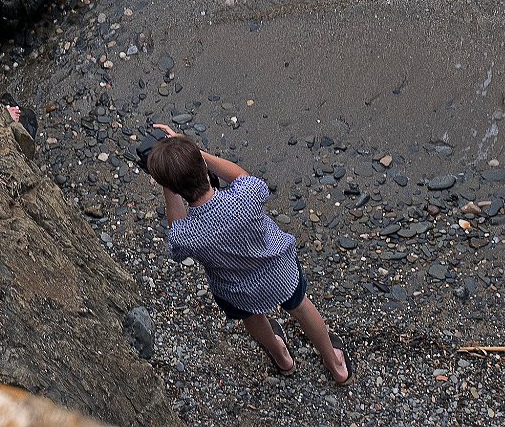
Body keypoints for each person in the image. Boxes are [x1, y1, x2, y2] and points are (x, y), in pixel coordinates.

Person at [147, 124, 354, 383]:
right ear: (203, 167)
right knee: (301, 306)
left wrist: (169, 187)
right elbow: (241, 175)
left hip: (237, 291)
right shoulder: (245, 196)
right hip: (280, 272)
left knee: (251, 317)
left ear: (174, 189)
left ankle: (282, 357)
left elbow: (175, 233)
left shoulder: (186, 234)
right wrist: (199, 154)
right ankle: (336, 366)